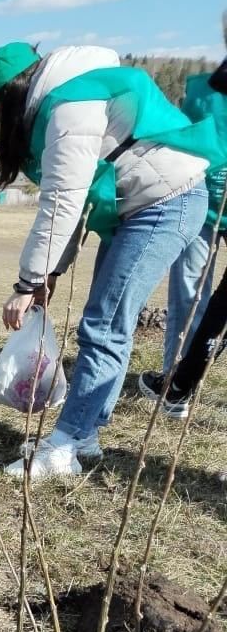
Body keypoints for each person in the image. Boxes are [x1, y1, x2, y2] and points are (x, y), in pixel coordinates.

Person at [0, 42, 216, 479]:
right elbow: (78, 206)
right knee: (109, 322)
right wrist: (50, 272)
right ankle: (83, 435)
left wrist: (27, 283)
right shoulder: (70, 96)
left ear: (12, 94)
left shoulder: (69, 106)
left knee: (104, 323)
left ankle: (65, 444)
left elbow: (63, 202)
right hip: (144, 206)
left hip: (163, 205)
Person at [139, 69, 227, 391]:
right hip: (201, 204)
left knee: (201, 299)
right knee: (189, 296)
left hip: (205, 201)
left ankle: (185, 379)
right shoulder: (202, 89)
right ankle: (175, 381)